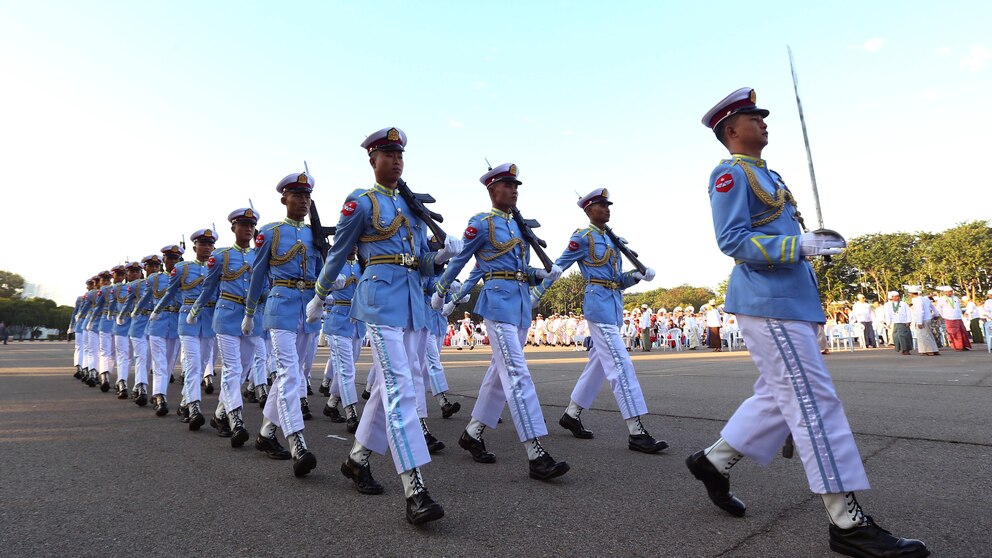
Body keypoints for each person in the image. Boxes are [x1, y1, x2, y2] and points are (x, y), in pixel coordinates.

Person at [688, 87, 928, 557]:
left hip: (791, 299)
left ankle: (714, 461)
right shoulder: (730, 174)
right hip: (768, 298)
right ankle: (847, 521)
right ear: (731, 130)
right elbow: (732, 241)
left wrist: (813, 244)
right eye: (754, 117)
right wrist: (799, 246)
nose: (763, 121)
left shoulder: (770, 175)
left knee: (780, 394)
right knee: (813, 401)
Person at [308, 127, 461, 524]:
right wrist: (320, 295)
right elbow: (339, 253)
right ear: (372, 160)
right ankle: (415, 489)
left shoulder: (411, 207)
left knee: (392, 384)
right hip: (377, 302)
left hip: (411, 303)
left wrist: (440, 255)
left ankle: (358, 459)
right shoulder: (360, 203)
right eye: (388, 154)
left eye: (400, 155)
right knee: (400, 389)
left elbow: (418, 261)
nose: (396, 160)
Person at [432, 161, 570, 483]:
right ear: (493, 190)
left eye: (516, 186)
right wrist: (441, 292)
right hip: (496, 302)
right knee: (517, 373)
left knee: (499, 373)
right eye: (508, 185)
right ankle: (536, 452)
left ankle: (473, 432)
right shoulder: (481, 223)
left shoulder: (519, 225)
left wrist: (542, 274)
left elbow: (522, 267)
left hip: (520, 304)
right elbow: (462, 260)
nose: (514, 190)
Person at [535, 187, 667, 453]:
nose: (607, 209)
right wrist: (537, 293)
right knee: (620, 364)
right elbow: (558, 265)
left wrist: (637, 276)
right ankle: (636, 430)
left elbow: (617, 280)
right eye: (602, 206)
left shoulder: (612, 239)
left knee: (598, 364)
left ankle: (571, 415)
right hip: (598, 305)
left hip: (613, 304)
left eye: (608, 206)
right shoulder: (583, 237)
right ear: (589, 210)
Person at [244, 171, 323, 476]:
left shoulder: (315, 235)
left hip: (308, 310)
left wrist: (330, 285)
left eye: (307, 196)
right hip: (280, 307)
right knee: (289, 373)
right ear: (284, 199)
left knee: (294, 374)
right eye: (297, 195)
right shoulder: (271, 232)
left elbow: (320, 272)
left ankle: (266, 434)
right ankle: (296, 441)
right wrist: (250, 313)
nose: (303, 201)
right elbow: (258, 274)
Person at [190, 208, 262, 448]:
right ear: (233, 228)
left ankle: (220, 414)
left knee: (242, 371)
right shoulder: (221, 256)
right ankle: (236, 420)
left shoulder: (259, 256)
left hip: (251, 318)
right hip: (227, 316)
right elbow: (209, 287)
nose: (248, 229)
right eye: (243, 225)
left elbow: (265, 286)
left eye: (251, 226)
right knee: (232, 369)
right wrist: (195, 309)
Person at [153, 229, 217, 431]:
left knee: (204, 361)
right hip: (187, 319)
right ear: (194, 247)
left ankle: (184, 402)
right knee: (193, 362)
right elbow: (170, 292)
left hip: (208, 320)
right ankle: (194, 407)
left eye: (209, 245)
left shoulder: (217, 267)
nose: (206, 248)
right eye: (203, 244)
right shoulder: (182, 269)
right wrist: (157, 310)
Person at [319, 246, 365, 434]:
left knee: (346, 367)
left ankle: (331, 404)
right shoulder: (334, 264)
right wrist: (329, 286)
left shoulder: (363, 265)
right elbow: (320, 286)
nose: (353, 246)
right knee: (346, 369)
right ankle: (351, 412)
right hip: (338, 320)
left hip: (358, 323)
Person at [136, 245, 183, 415]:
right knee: (160, 362)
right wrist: (137, 313)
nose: (172, 261)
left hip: (176, 323)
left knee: (169, 362)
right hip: (157, 324)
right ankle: (159, 396)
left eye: (175, 259)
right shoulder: (154, 279)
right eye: (169, 258)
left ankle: (159, 392)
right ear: (164, 260)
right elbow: (146, 298)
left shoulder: (184, 276)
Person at [935, 286, 971, 351]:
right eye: (948, 292)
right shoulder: (941, 299)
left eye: (950, 291)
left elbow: (959, 306)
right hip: (949, 318)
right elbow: (938, 308)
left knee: (962, 331)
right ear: (945, 292)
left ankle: (964, 345)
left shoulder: (956, 298)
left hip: (958, 317)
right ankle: (957, 347)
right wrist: (943, 316)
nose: (949, 293)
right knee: (954, 333)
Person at [909, 286, 940, 356]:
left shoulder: (917, 300)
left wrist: (920, 322)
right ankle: (934, 349)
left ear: (911, 293)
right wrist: (936, 315)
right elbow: (933, 307)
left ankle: (929, 350)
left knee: (924, 335)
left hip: (923, 319)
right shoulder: (925, 299)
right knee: (929, 334)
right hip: (928, 318)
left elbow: (920, 311)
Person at [884, 291, 913, 355]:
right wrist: (888, 323)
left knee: (904, 336)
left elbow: (908, 313)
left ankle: (906, 349)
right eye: (895, 296)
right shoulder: (888, 305)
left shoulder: (903, 303)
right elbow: (887, 314)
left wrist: (908, 321)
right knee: (896, 336)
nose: (897, 298)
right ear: (892, 297)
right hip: (895, 322)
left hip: (903, 322)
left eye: (898, 296)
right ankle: (900, 348)